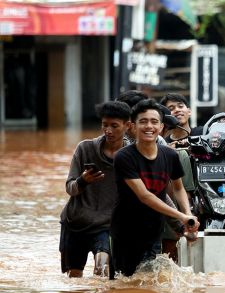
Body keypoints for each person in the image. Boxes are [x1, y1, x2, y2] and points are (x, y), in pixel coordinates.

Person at [109, 99, 199, 278]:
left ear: (161, 126)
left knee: (150, 286)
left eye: (154, 122)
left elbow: (178, 188)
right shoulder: (123, 157)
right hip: (125, 233)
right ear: (132, 126)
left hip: (153, 231)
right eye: (143, 121)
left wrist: (188, 216)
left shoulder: (170, 155)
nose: (148, 126)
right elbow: (145, 196)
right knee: (122, 286)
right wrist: (181, 216)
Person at [59, 101, 131, 277]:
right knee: (74, 277)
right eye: (105, 125)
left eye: (114, 126)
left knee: (102, 269)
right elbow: (70, 188)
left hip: (106, 225)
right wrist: (83, 180)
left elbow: (149, 193)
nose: (108, 130)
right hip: (75, 222)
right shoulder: (85, 148)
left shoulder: (132, 155)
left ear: (128, 126)